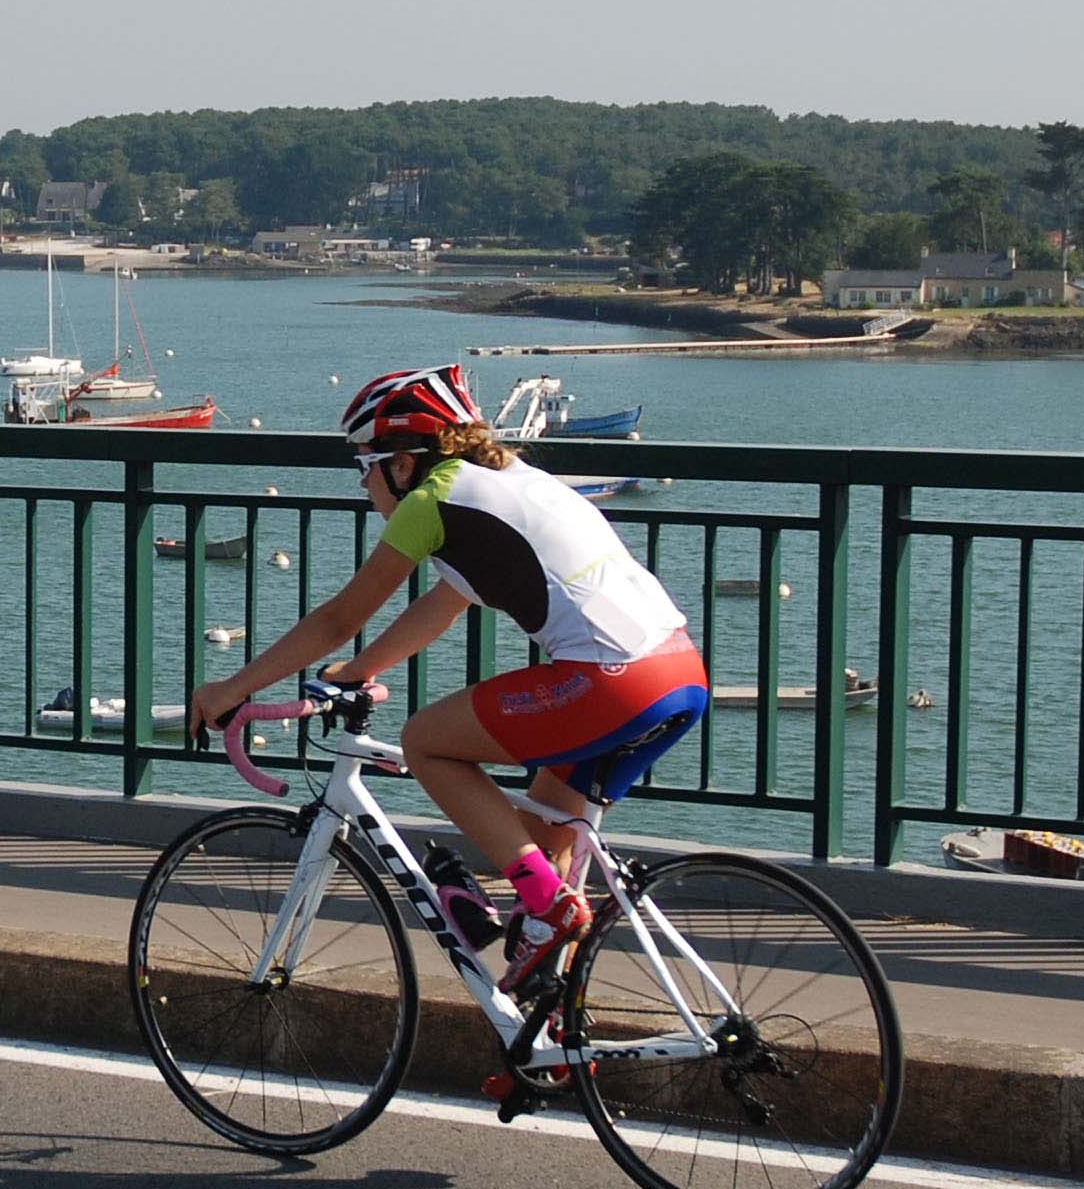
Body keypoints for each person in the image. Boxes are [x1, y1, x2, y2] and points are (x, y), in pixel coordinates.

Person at [186, 364, 709, 999]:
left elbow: (339, 617)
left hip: (611, 677)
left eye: (365, 464)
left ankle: (548, 908)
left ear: (402, 463)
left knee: (426, 742)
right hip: (679, 673)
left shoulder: (432, 500)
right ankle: (553, 1036)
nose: (363, 483)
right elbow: (444, 602)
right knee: (547, 836)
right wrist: (358, 672)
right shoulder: (510, 484)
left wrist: (230, 689)